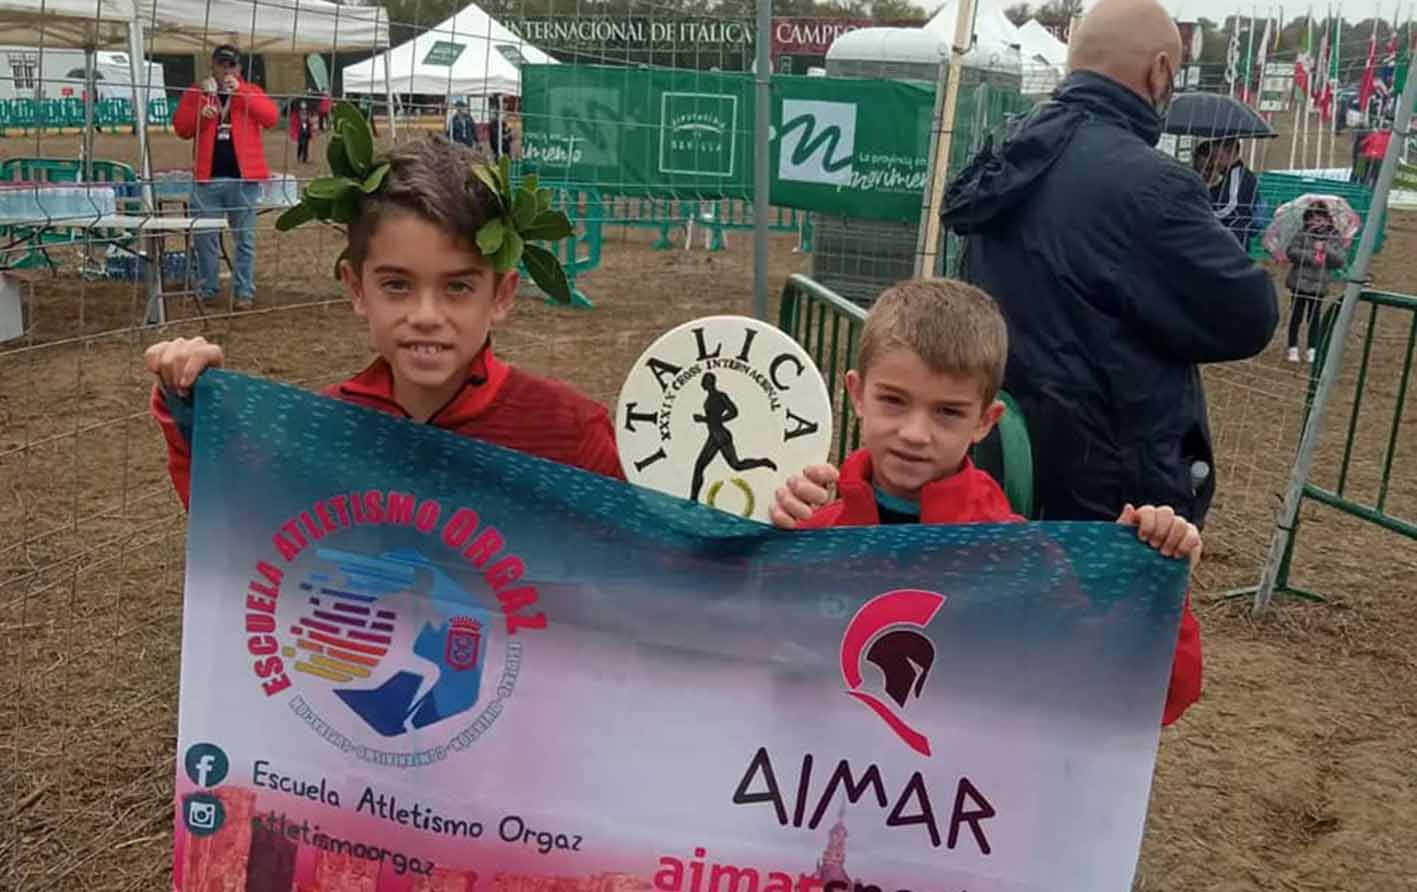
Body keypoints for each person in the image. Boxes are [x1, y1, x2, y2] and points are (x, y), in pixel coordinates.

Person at [784, 279, 1203, 726]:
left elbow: (1137, 693)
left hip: (952, 791)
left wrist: (1151, 586)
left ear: (985, 421)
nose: (914, 433)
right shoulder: (812, 534)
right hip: (816, 785)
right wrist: (756, 539)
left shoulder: (1019, 558)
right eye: (893, 401)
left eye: (948, 412)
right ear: (857, 394)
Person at [928, 0, 1277, 526]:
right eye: (1174, 73)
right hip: (1113, 481)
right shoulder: (1151, 184)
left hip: (1007, 455)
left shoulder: (1012, 150)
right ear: (1160, 70)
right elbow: (1248, 315)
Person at [143, 135, 623, 509]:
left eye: (458, 287)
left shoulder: (570, 434)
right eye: (397, 285)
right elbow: (241, 525)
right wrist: (193, 409)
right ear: (356, 288)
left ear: (501, 294)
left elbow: (651, 577)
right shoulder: (321, 436)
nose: (426, 317)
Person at [172, 44, 279, 311]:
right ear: (213, 66)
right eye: (221, 65)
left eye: (231, 65)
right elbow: (181, 129)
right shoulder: (197, 93)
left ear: (239, 69)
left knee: (244, 239)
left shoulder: (250, 91)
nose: (226, 70)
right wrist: (201, 117)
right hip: (207, 179)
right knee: (204, 237)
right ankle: (209, 288)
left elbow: (271, 117)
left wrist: (240, 92)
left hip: (244, 180)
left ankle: (244, 291)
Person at [687, 372, 777, 503]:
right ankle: (693, 500)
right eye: (704, 381)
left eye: (707, 381)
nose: (705, 383)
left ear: (712, 382)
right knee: (732, 465)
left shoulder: (720, 396)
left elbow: (734, 411)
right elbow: (715, 419)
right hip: (715, 436)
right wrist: (709, 420)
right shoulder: (709, 398)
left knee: (708, 466)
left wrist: (706, 419)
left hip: (720, 435)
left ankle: (763, 461)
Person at [1284, 203, 1346, 364]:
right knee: (1296, 316)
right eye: (1312, 218)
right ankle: (1293, 348)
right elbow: (1291, 252)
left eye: (1320, 218)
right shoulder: (1302, 234)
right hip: (1299, 282)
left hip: (1319, 285)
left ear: (1327, 219)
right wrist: (1312, 255)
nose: (1316, 222)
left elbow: (1339, 261)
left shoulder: (1334, 237)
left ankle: (1312, 348)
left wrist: (1326, 249)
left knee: (1314, 318)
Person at [1193, 137, 1263, 249]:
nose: (1215, 162)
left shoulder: (1237, 174)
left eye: (1218, 157)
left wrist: (1201, 213)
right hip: (1230, 238)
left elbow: (1228, 207)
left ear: (1230, 153)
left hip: (1233, 238)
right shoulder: (1230, 175)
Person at [290, 100, 312, 164]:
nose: (304, 108)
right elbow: (295, 122)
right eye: (302, 106)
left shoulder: (307, 113)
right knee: (301, 145)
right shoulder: (297, 114)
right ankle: (299, 156)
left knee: (306, 145)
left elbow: (308, 122)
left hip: (306, 131)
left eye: (304, 106)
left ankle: (304, 159)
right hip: (300, 131)